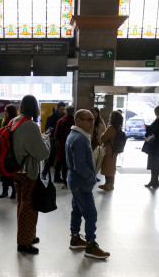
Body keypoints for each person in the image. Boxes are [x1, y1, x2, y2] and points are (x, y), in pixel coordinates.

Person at [66, 109, 110, 259]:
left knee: (77, 210)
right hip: (81, 182)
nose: (92, 123)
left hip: (75, 181)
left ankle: (75, 238)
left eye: (92, 120)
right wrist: (91, 178)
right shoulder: (79, 139)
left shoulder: (76, 135)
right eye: (89, 120)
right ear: (78, 121)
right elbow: (80, 165)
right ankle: (91, 246)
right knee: (91, 214)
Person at [11, 95, 51, 254]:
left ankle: (29, 235)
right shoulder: (31, 125)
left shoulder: (15, 121)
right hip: (29, 172)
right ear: (35, 107)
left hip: (16, 170)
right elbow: (43, 153)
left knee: (22, 204)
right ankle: (24, 243)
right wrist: (46, 140)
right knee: (29, 207)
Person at [141, 104, 159, 189]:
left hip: (154, 145)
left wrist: (148, 128)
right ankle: (155, 181)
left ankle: (154, 181)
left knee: (153, 163)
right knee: (156, 162)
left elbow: (154, 131)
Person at [98, 110, 124, 191]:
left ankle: (107, 184)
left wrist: (103, 133)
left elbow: (102, 138)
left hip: (109, 150)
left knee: (107, 167)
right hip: (115, 150)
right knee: (112, 167)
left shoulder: (111, 128)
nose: (109, 118)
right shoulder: (118, 128)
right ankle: (111, 184)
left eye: (110, 117)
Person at [0, 104, 18, 199]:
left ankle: (14, 191)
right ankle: (4, 191)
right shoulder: (4, 121)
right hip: (4, 149)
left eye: (6, 111)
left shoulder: (15, 122)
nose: (4, 113)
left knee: (12, 171)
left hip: (12, 150)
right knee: (4, 170)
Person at [42, 102, 65, 179]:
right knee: (51, 156)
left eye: (63, 109)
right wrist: (53, 130)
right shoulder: (51, 117)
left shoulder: (64, 116)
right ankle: (44, 173)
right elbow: (47, 130)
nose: (62, 111)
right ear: (57, 108)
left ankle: (57, 176)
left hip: (61, 139)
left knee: (60, 157)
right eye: (61, 109)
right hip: (53, 138)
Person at [53, 106, 75, 185]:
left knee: (59, 161)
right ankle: (65, 179)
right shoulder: (75, 122)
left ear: (66, 111)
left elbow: (56, 135)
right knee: (67, 162)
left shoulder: (61, 121)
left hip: (61, 144)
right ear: (73, 112)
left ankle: (56, 177)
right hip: (71, 145)